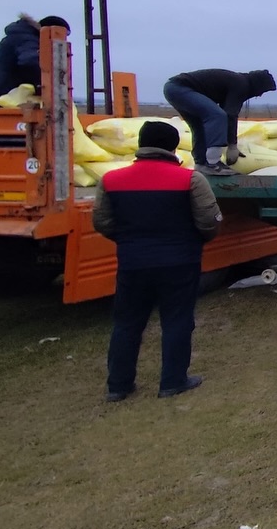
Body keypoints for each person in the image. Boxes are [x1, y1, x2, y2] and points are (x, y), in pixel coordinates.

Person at [93, 120, 222, 401]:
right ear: (173, 146)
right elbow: (209, 221)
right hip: (180, 261)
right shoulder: (189, 179)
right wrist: (193, 242)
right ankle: (173, 381)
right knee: (177, 320)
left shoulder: (111, 180)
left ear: (141, 144)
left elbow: (102, 221)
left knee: (127, 323)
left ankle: (119, 386)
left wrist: (129, 241)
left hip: (132, 262)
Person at [163, 68, 277, 176]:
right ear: (257, 85)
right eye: (262, 91)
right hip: (180, 88)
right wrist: (232, 146)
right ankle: (213, 163)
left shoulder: (237, 82)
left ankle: (201, 164)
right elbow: (230, 115)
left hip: (173, 89)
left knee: (200, 126)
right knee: (216, 115)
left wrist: (231, 143)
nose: (260, 95)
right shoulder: (241, 84)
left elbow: (227, 117)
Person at [0, 14, 70, 94]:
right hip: (5, 94)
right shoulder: (28, 39)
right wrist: (47, 86)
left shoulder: (22, 36)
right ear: (50, 32)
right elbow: (30, 62)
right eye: (59, 36)